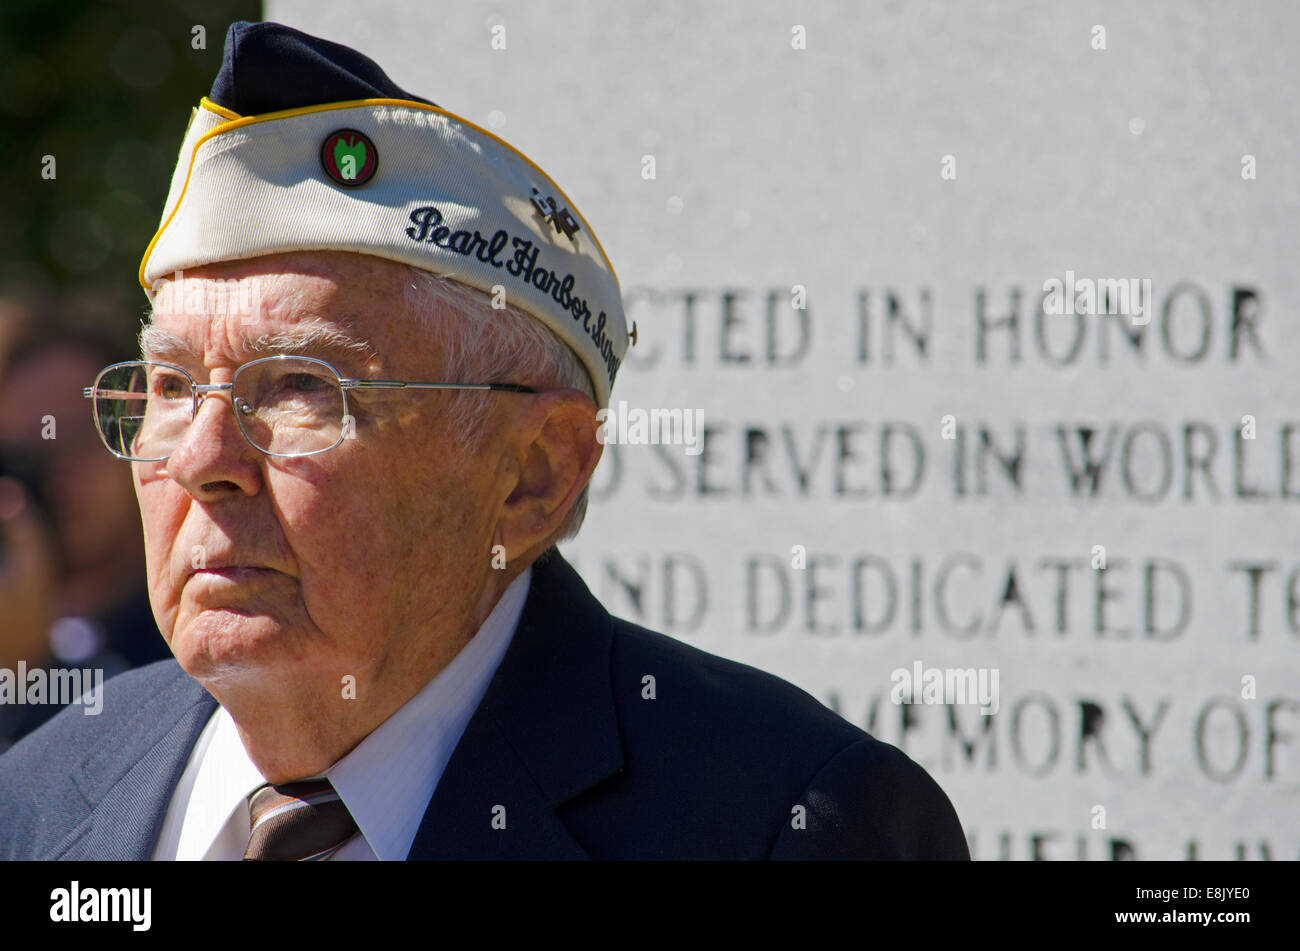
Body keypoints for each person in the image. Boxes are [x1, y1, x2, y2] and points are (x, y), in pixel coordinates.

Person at [0, 21, 969, 860]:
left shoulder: (780, 822)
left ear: (534, 475)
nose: (205, 460)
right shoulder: (44, 785)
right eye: (171, 386)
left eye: (299, 387)